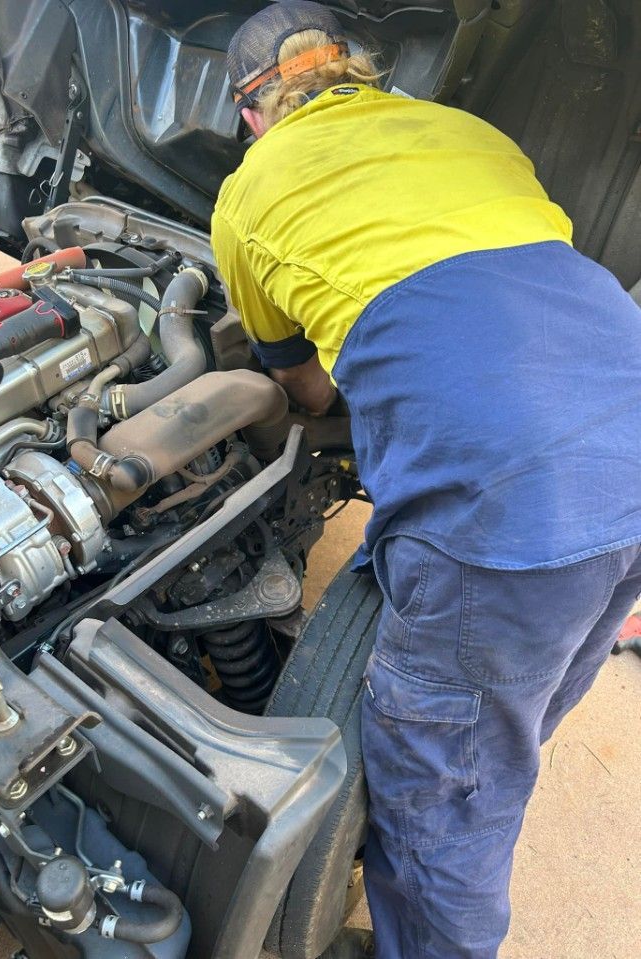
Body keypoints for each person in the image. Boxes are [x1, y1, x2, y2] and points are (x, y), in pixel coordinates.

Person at [210, 3, 641, 957]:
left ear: (252, 111)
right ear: (366, 72)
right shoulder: (466, 131)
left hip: (517, 511)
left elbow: (305, 385)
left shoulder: (249, 192)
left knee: (438, 794)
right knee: (527, 686)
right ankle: (498, 744)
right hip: (629, 433)